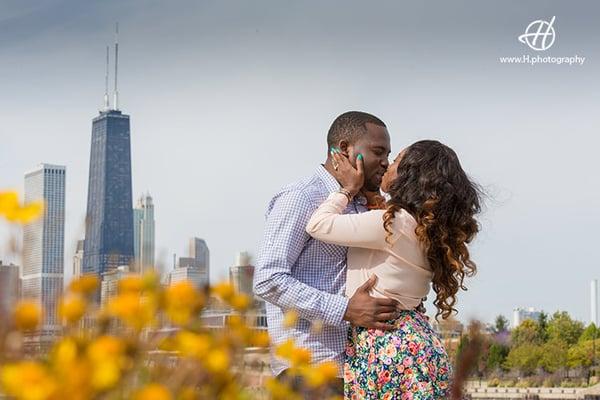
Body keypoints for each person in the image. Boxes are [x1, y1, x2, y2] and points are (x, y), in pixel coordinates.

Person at [306, 140, 482, 399]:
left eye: (397, 160)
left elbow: (318, 225)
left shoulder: (389, 225)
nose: (387, 165)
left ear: (410, 176)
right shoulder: (424, 228)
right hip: (417, 344)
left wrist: (347, 190)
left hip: (387, 348)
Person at [253, 111, 400, 396]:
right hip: (308, 371)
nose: (385, 162)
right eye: (378, 152)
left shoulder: (362, 203)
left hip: (358, 373)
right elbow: (268, 279)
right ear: (344, 149)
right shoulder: (301, 197)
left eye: (389, 154)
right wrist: (344, 309)